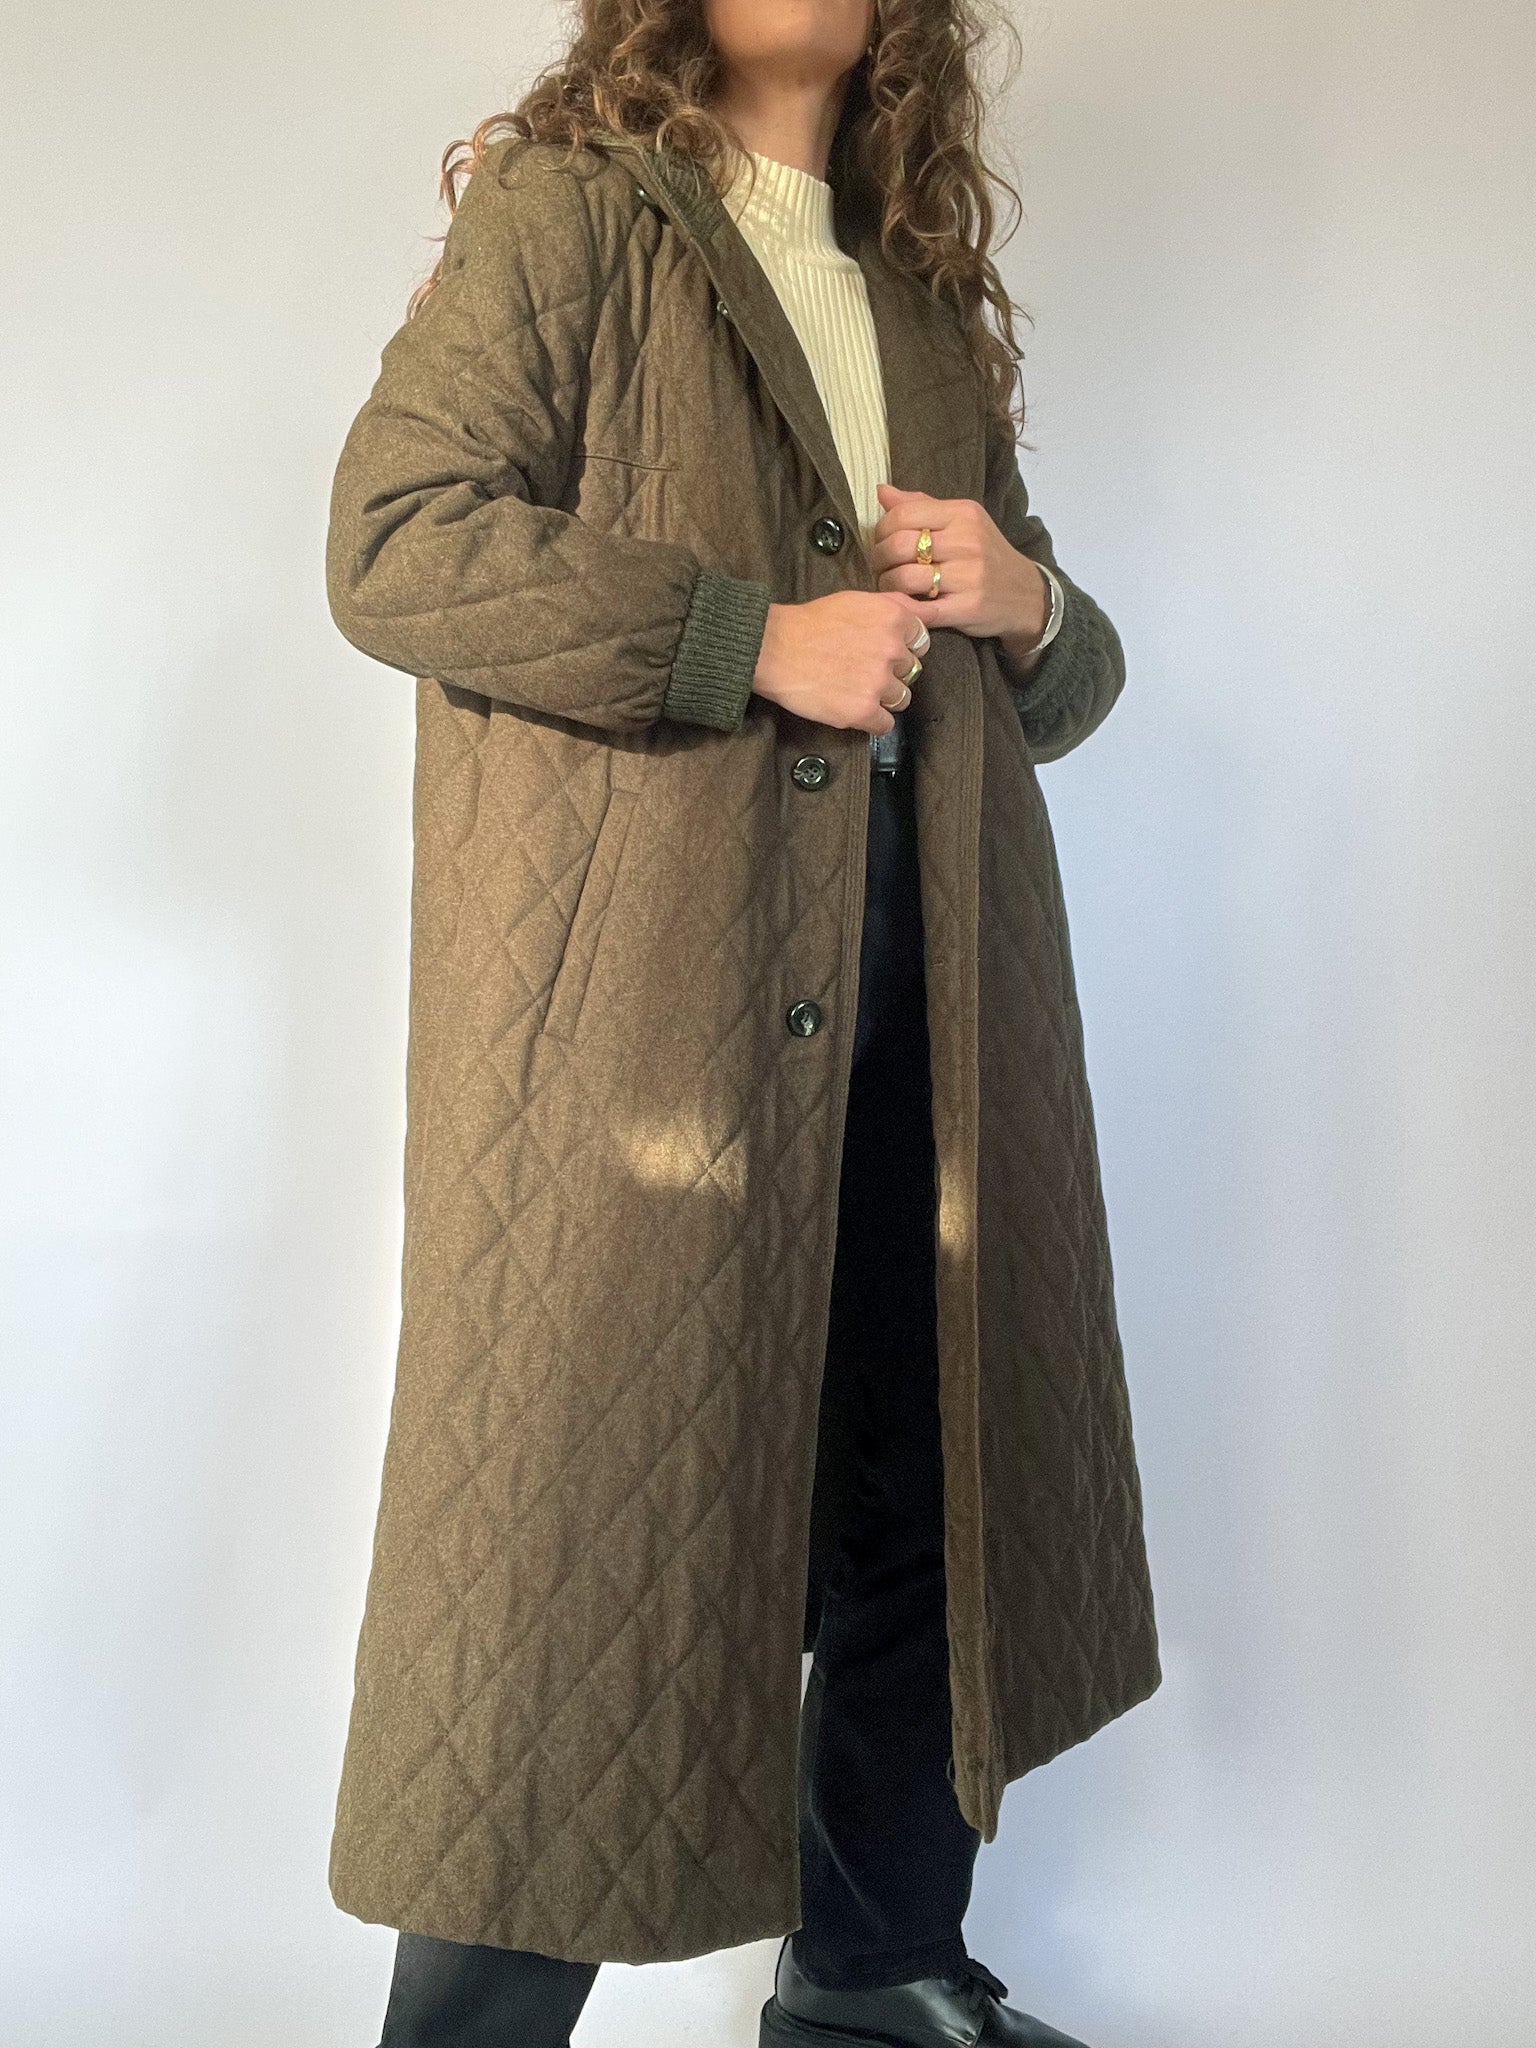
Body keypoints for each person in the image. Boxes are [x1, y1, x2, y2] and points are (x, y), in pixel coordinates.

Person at [323, 2, 1162, 2043]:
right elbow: (396, 541)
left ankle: (872, 1973)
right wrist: (745, 637)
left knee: (932, 1475)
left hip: (938, 972)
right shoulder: (573, 214)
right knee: (583, 1531)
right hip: (662, 992)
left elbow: (1061, 687)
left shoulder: (918, 297)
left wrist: (1029, 599)